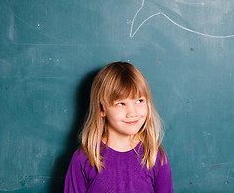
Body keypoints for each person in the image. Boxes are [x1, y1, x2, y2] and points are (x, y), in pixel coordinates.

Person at [64, 62, 173, 192]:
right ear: (102, 109)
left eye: (139, 101)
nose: (132, 113)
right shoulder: (84, 159)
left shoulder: (155, 156)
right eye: (121, 104)